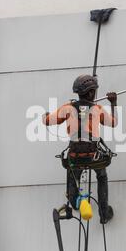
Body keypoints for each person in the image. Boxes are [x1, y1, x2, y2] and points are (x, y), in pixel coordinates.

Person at [43, 74, 117, 224]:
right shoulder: (98, 109)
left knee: (72, 174)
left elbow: (47, 121)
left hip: (75, 157)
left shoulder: (68, 108)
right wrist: (113, 103)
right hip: (94, 157)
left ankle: (76, 201)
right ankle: (104, 213)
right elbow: (114, 123)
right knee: (101, 176)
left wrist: (45, 115)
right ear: (91, 93)